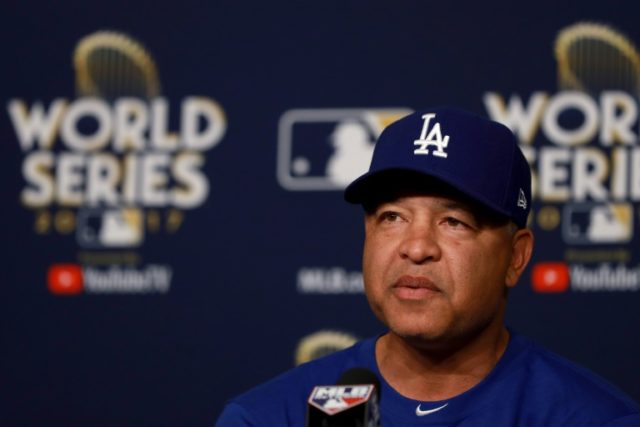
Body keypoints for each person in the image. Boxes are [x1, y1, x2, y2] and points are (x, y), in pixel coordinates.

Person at [215, 108, 640, 426]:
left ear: (516, 257)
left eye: (453, 221)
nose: (416, 248)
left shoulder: (592, 418)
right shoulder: (268, 416)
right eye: (392, 217)